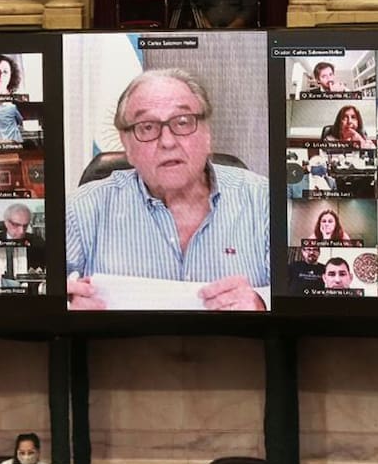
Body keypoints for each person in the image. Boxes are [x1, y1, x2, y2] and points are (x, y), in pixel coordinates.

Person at [66, 68, 269, 311]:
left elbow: (304, 294)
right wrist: (65, 308)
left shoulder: (263, 199)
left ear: (206, 133)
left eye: (183, 122)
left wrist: (262, 301)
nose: (168, 142)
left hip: (232, 347)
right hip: (125, 348)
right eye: (147, 127)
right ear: (126, 143)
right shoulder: (81, 210)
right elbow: (36, 296)